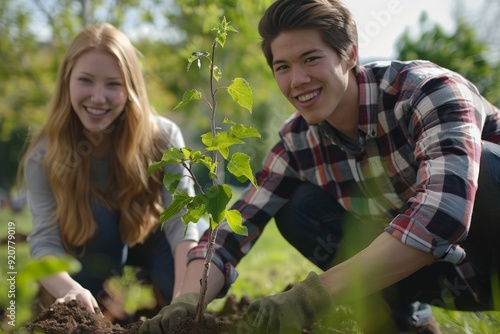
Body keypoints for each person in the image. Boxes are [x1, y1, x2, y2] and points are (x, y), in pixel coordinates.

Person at [140, 0, 500, 333]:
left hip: (486, 251)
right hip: (439, 275)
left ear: (349, 56)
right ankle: (403, 324)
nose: (297, 81)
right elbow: (236, 229)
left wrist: (312, 297)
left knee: (480, 166)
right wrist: (189, 298)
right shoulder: (297, 142)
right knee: (299, 208)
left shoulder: (428, 92)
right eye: (283, 67)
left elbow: (445, 215)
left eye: (311, 59)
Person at [18, 23, 207, 321]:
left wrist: (184, 297)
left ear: (131, 87)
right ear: (67, 80)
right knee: (89, 295)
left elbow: (184, 222)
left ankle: (154, 297)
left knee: (200, 272)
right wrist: (68, 290)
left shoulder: (163, 137)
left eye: (113, 84)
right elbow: (44, 241)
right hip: (93, 250)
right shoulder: (44, 156)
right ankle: (114, 305)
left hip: (149, 237)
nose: (98, 97)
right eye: (86, 80)